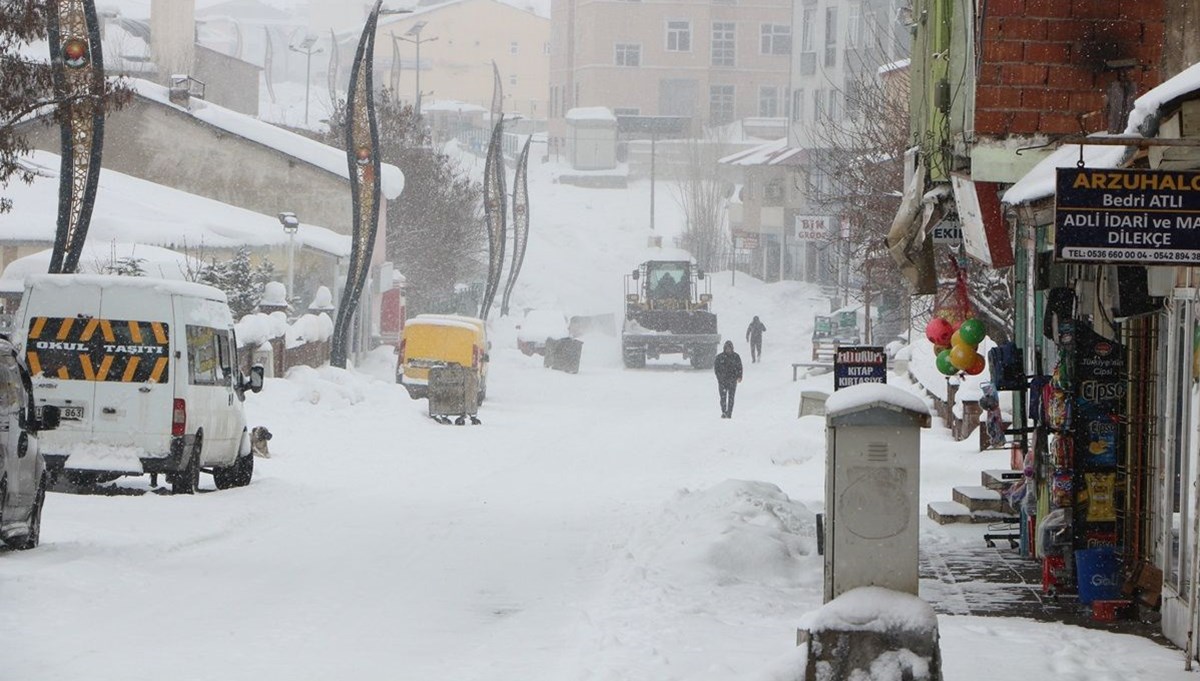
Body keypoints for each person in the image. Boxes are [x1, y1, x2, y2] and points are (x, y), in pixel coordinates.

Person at [713, 340, 743, 418]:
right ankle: (723, 411)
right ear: (724, 348)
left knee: (731, 397)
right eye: (727, 348)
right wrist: (719, 378)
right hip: (722, 381)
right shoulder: (719, 357)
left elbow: (740, 367)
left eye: (729, 348)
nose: (728, 350)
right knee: (723, 398)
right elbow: (716, 369)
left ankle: (729, 412)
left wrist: (740, 376)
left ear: (732, 348)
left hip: (732, 381)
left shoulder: (736, 357)